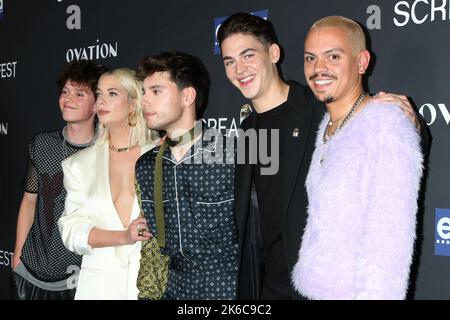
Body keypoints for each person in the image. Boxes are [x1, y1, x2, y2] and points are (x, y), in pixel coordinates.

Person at [217, 12, 429, 299]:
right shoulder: (248, 128)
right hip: (263, 286)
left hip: (313, 289)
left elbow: (388, 144)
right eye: (229, 61)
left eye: (247, 55)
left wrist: (413, 123)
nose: (239, 68)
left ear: (274, 53)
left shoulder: (318, 108)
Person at [292, 15, 423, 300]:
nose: (318, 68)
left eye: (333, 56)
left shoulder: (385, 125)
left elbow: (388, 247)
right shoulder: (327, 126)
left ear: (362, 63)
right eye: (310, 58)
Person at [134, 51, 238, 300]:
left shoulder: (234, 154)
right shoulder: (146, 166)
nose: (144, 101)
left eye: (156, 91)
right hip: (174, 290)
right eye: (144, 92)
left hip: (230, 289)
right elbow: (153, 248)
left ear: (187, 96)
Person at [58, 68, 157, 300]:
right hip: (97, 288)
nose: (101, 100)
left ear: (134, 104)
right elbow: (71, 231)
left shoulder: (162, 156)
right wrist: (125, 236)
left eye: (112, 93)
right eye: (99, 93)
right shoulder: (78, 165)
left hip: (152, 286)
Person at [12, 60, 106, 300]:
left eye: (79, 93)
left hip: (78, 277)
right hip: (30, 271)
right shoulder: (41, 144)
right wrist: (18, 253)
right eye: (65, 91)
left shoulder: (107, 153)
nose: (68, 98)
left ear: (97, 104)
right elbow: (30, 201)